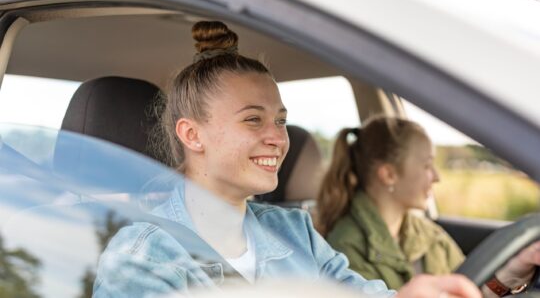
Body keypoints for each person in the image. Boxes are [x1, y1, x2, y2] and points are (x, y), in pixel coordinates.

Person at [91, 20, 524, 298]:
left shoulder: (293, 230)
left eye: (280, 121)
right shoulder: (143, 256)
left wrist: (505, 275)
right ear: (192, 134)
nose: (277, 138)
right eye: (253, 119)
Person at [317, 117, 539, 296]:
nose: (436, 176)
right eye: (426, 165)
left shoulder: (428, 235)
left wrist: (510, 275)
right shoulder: (345, 250)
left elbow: (470, 286)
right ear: (389, 175)